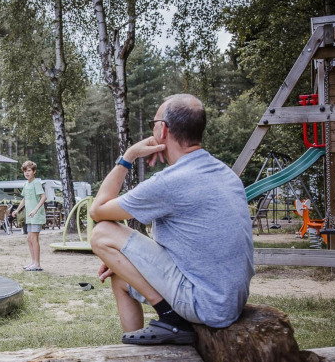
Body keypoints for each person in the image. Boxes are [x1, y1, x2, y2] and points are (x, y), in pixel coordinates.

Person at [90, 94, 254, 345]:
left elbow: (98, 210)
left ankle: (171, 318)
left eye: (154, 123)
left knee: (102, 233)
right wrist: (127, 261)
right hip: (227, 299)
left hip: (204, 303)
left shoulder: (171, 182)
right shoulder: (223, 172)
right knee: (120, 279)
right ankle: (134, 354)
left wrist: (128, 156)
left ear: (163, 129)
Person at [12, 160, 47, 271]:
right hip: (29, 216)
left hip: (36, 215)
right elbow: (25, 199)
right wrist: (17, 210)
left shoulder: (36, 183)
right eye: (25, 171)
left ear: (34, 171)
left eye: (29, 171)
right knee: (29, 238)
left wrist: (35, 209)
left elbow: (43, 197)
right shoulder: (26, 184)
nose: (27, 173)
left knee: (34, 238)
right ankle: (33, 262)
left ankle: (37, 264)